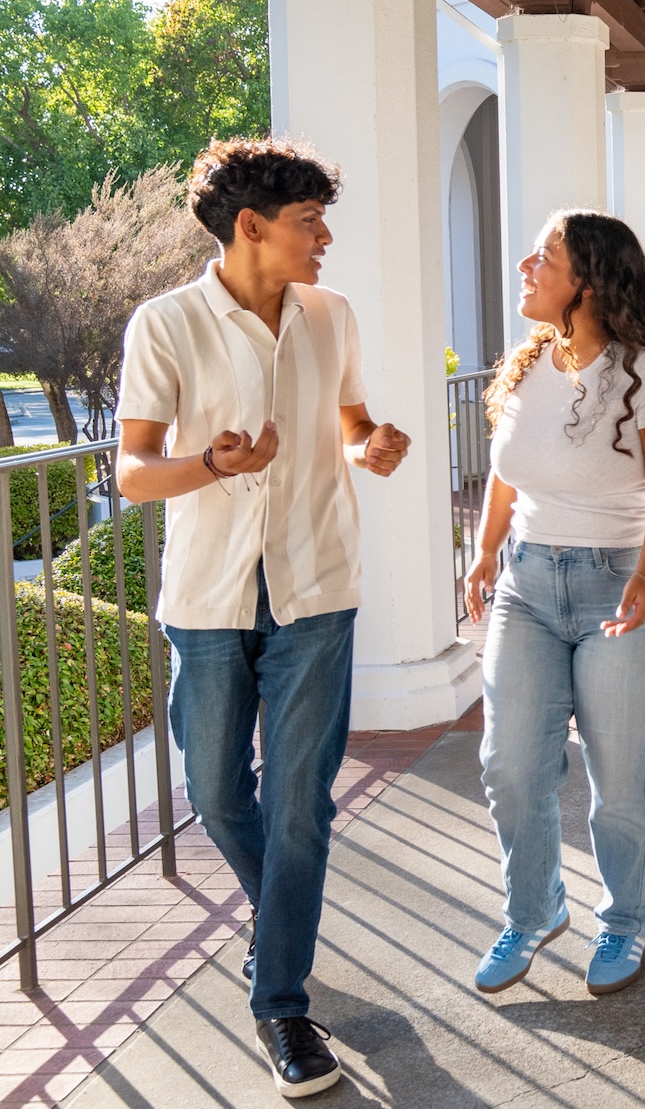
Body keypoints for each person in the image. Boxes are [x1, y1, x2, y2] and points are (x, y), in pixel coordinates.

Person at [114, 138, 411, 1098]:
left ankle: (280, 1002)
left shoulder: (333, 317)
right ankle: (282, 921)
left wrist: (373, 445)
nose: (324, 238)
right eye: (307, 222)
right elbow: (131, 471)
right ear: (251, 226)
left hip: (317, 590)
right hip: (206, 597)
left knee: (298, 804)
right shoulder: (163, 326)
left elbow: (353, 425)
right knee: (214, 791)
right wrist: (213, 466)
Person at [461, 210, 645, 999]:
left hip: (620, 586)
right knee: (510, 766)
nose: (526, 264)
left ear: (589, 280)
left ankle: (625, 918)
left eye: (546, 256)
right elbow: (507, 470)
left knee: (620, 780)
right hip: (526, 585)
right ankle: (532, 912)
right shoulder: (530, 362)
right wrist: (486, 549)